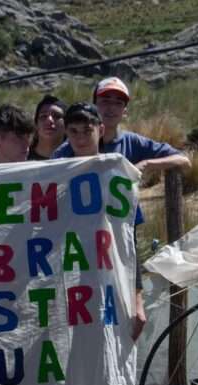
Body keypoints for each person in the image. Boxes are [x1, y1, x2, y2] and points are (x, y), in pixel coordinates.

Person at [58, 102, 147, 340]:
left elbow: (130, 241)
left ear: (101, 130)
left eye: (87, 130)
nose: (80, 138)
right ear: (66, 133)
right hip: (67, 283)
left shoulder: (117, 176)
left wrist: (137, 299)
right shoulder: (54, 177)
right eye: (74, 131)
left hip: (109, 281)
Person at [54, 77, 191, 181]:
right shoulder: (69, 149)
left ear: (124, 111)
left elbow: (184, 161)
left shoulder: (132, 142)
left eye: (118, 103)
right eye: (105, 101)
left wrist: (145, 164)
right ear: (94, 105)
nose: (111, 108)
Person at [28, 94, 66, 160]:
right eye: (43, 116)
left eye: (56, 116)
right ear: (36, 125)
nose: (49, 120)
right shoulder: (21, 158)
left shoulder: (78, 157)